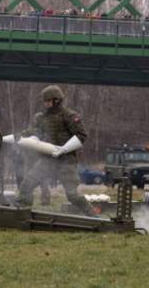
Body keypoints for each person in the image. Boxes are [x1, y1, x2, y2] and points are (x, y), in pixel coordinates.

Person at [14, 85, 96, 216]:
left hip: (66, 161)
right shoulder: (42, 118)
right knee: (26, 185)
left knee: (72, 195)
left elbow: (81, 135)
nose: (46, 104)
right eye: (44, 101)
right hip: (48, 160)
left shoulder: (69, 116)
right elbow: (32, 132)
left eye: (48, 101)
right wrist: (18, 136)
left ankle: (93, 215)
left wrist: (64, 149)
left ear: (57, 100)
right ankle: (21, 213)